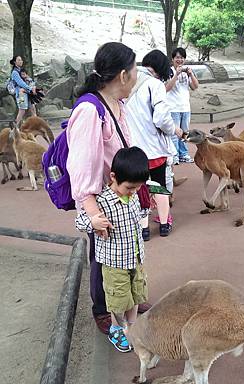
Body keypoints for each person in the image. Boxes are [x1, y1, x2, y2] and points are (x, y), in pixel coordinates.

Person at [66, 42, 152, 336]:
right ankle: (103, 309)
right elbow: (82, 167)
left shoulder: (116, 103)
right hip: (102, 202)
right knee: (103, 256)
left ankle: (126, 298)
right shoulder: (90, 111)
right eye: (135, 68)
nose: (137, 74)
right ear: (123, 75)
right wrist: (93, 214)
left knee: (126, 249)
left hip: (120, 194)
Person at [75, 147, 149, 352]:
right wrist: (94, 222)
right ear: (114, 177)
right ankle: (117, 328)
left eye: (137, 187)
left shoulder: (133, 195)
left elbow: (138, 212)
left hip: (135, 256)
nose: (133, 191)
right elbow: (80, 222)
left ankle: (132, 326)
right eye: (130, 187)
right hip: (114, 262)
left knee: (136, 294)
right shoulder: (102, 201)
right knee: (118, 300)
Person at [126, 49, 183, 240]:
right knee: (159, 185)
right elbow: (162, 118)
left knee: (141, 187)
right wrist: (173, 130)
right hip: (154, 148)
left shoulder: (127, 84)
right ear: (161, 68)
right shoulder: (155, 84)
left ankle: (143, 229)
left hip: (133, 148)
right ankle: (165, 224)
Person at [166, 47, 199, 164]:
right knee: (174, 133)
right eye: (177, 57)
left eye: (182, 57)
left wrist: (191, 74)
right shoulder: (168, 71)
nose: (179, 60)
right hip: (173, 108)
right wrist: (176, 74)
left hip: (185, 108)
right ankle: (174, 155)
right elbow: (166, 88)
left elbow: (195, 87)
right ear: (173, 59)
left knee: (184, 132)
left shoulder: (187, 72)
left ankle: (183, 154)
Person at [10, 56, 37, 123]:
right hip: (21, 93)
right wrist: (30, 88)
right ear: (14, 62)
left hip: (28, 92)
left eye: (21, 60)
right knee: (22, 110)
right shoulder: (14, 73)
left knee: (32, 108)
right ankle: (15, 127)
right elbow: (20, 83)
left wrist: (33, 86)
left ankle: (37, 125)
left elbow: (29, 79)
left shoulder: (21, 71)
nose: (21, 61)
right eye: (19, 60)